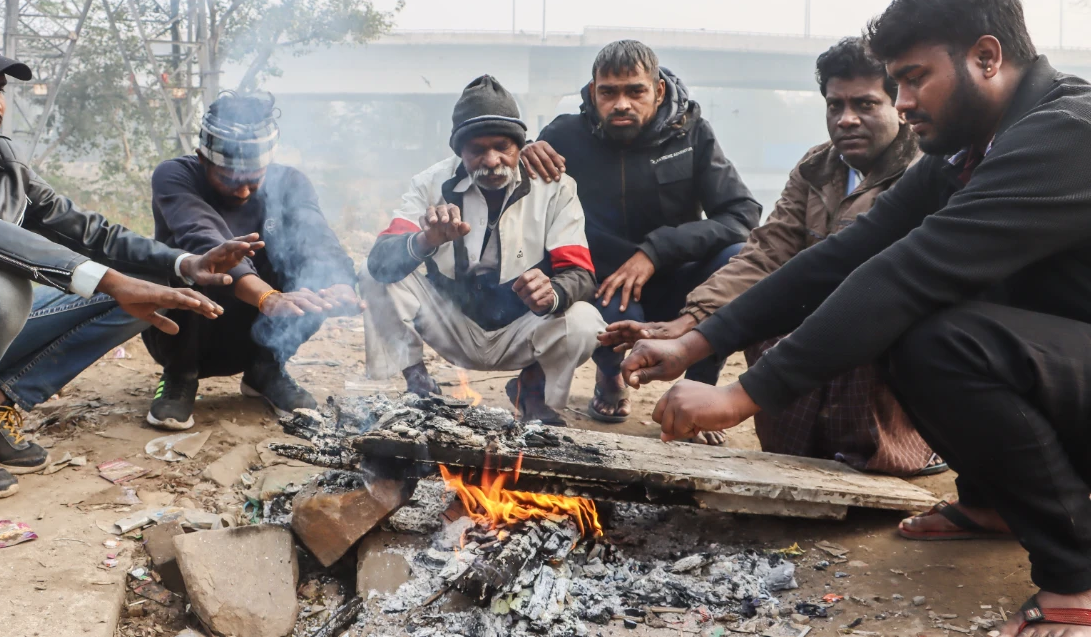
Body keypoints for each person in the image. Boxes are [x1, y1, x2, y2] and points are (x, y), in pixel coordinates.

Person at [620, 0, 1091, 635]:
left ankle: (1076, 573)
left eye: (915, 77)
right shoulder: (964, 153)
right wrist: (697, 341)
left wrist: (741, 395)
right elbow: (849, 252)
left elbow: (905, 272)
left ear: (986, 57)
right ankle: (995, 504)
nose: (902, 102)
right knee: (916, 331)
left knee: (938, 339)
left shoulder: (1067, 134)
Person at [0, 24, 256, 500]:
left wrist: (185, 264)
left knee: (148, 285)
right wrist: (102, 279)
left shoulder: (0, 157)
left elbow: (86, 228)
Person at [600, 38, 940, 474]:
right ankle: (803, 454)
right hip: (814, 314)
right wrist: (685, 325)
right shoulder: (817, 167)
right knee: (765, 311)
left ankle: (900, 450)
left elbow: (874, 280)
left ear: (899, 105)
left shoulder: (924, 172)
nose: (847, 119)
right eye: (835, 106)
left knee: (850, 333)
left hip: (879, 320)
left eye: (866, 105)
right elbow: (764, 253)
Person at [521, 40, 760, 424]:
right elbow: (524, 209)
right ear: (593, 91)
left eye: (635, 91)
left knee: (737, 259)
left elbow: (742, 216)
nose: (621, 104)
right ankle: (610, 376)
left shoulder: (692, 133)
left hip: (678, 276)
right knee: (608, 310)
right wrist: (524, 155)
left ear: (658, 90)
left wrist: (656, 250)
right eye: (609, 92)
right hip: (605, 283)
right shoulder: (565, 136)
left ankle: (702, 391)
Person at [361, 75, 604, 425]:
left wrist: (551, 292)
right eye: (477, 150)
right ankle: (419, 384)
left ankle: (531, 392)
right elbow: (380, 261)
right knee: (372, 276)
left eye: (502, 147)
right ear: (460, 151)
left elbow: (581, 274)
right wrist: (426, 241)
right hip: (450, 321)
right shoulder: (430, 183)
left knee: (584, 321)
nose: (491, 161)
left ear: (521, 146)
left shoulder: (555, 187)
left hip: (522, 325)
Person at [143, 92, 360, 430]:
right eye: (229, 178)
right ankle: (179, 375)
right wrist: (266, 297)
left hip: (257, 330)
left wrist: (336, 283)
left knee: (310, 273)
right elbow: (207, 239)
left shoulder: (290, 183)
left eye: (253, 179)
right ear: (202, 158)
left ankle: (265, 370)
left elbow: (316, 236)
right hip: (187, 330)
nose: (243, 191)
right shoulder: (174, 176)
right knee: (186, 264)